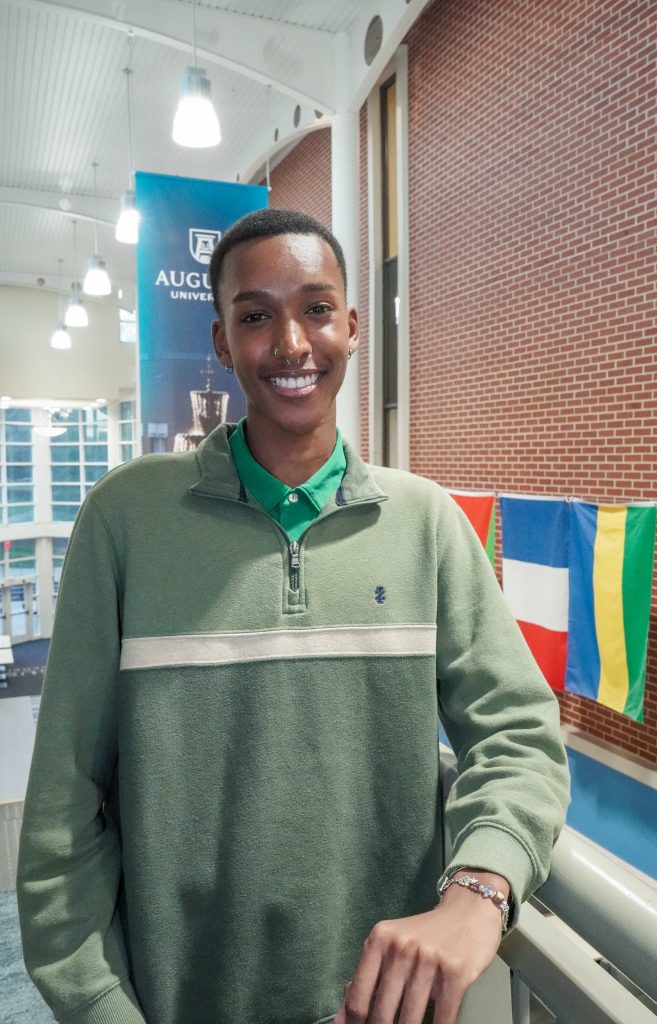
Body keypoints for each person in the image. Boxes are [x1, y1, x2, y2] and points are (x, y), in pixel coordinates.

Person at [17, 208, 569, 1024]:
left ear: (351, 326)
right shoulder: (124, 520)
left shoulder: (427, 525)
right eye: (254, 316)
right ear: (220, 342)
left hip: (388, 1006)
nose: (290, 343)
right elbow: (66, 801)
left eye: (315, 309)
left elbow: (518, 734)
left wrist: (478, 889)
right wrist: (96, 1000)